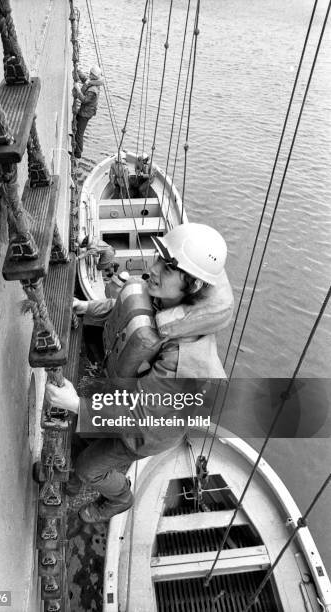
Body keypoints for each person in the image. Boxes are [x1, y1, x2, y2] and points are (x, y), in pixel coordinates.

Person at [45, 223, 234, 523]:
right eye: (159, 258)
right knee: (81, 435)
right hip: (135, 394)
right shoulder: (171, 298)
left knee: (88, 466)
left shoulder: (184, 361)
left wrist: (75, 404)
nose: (154, 269)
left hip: (149, 428)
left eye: (168, 267)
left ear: (195, 285)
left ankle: (119, 499)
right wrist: (84, 307)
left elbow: (137, 415)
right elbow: (131, 312)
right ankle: (79, 479)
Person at [73, 64, 103, 158]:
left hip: (86, 114)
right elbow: (85, 79)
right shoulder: (93, 82)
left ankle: (78, 153)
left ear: (94, 76)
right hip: (84, 111)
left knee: (79, 133)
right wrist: (77, 70)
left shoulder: (93, 90)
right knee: (77, 127)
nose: (89, 74)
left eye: (91, 73)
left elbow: (85, 100)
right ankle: (75, 144)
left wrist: (78, 90)